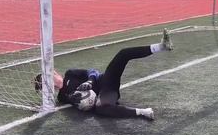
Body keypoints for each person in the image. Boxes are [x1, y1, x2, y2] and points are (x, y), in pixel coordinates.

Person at [34, 29, 174, 120]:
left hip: (105, 81)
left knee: (122, 54)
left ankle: (161, 46)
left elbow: (92, 71)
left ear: (55, 72)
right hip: (105, 96)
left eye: (50, 76)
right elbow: (83, 106)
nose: (52, 80)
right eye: (47, 83)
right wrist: (80, 101)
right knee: (101, 108)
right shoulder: (62, 97)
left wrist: (89, 81)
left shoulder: (70, 73)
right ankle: (142, 112)